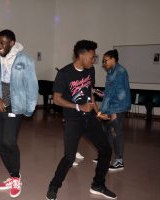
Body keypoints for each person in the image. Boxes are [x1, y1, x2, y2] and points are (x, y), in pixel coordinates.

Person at [46, 40, 116, 200]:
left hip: (89, 118)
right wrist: (78, 107)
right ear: (82, 55)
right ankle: (54, 185)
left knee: (106, 150)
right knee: (69, 158)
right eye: (92, 57)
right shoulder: (64, 74)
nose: (94, 60)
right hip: (73, 120)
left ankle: (98, 185)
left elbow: (89, 93)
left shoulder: (90, 71)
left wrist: (98, 113)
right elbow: (56, 99)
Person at [0, 29, 38, 198]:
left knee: (9, 142)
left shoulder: (25, 60)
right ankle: (13, 174)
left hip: (15, 107)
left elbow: (32, 85)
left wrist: (29, 109)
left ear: (12, 43)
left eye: (2, 42)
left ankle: (15, 178)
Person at [99, 49, 131, 171]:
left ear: (113, 59)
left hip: (117, 108)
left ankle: (119, 160)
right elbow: (110, 92)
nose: (103, 63)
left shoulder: (120, 72)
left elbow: (120, 95)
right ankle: (107, 156)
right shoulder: (111, 72)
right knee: (107, 133)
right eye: (103, 61)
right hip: (110, 108)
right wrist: (101, 93)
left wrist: (113, 112)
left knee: (116, 134)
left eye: (105, 60)